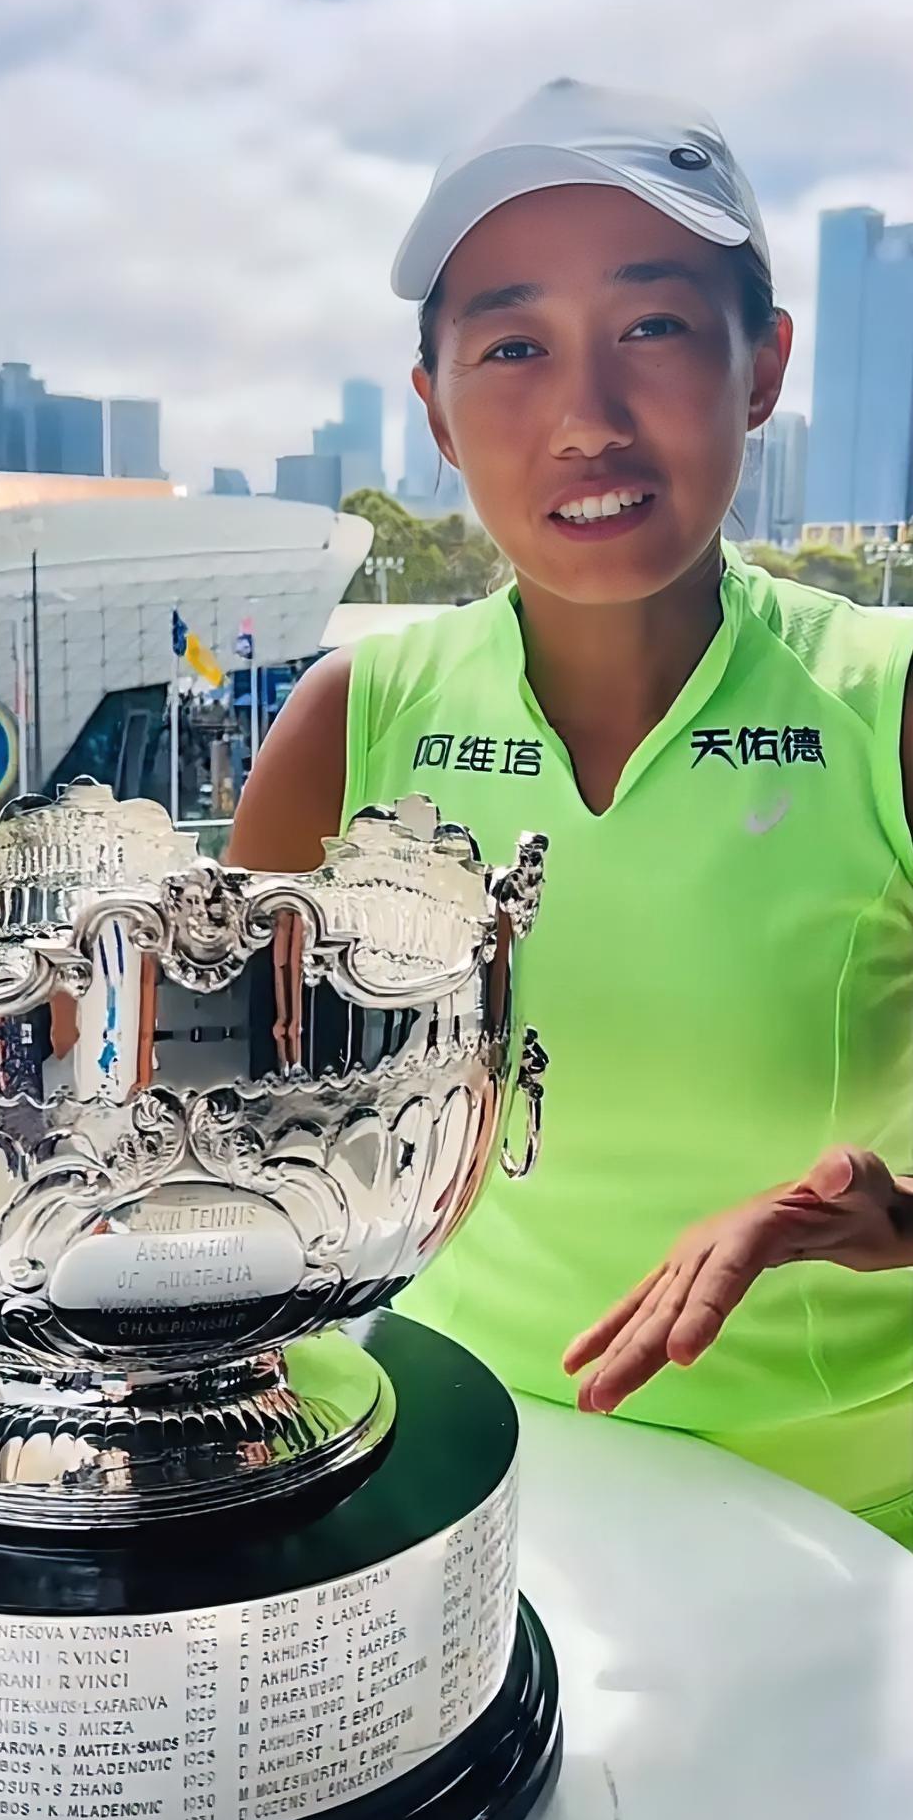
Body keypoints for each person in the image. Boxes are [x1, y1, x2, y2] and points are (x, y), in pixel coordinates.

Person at [229, 79, 913, 1548]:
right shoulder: (353, 722)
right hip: (467, 1489)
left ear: (764, 366)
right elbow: (204, 1138)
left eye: (654, 328)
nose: (588, 420)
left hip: (854, 1526)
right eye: (514, 347)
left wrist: (895, 1213)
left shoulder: (887, 703)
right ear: (434, 408)